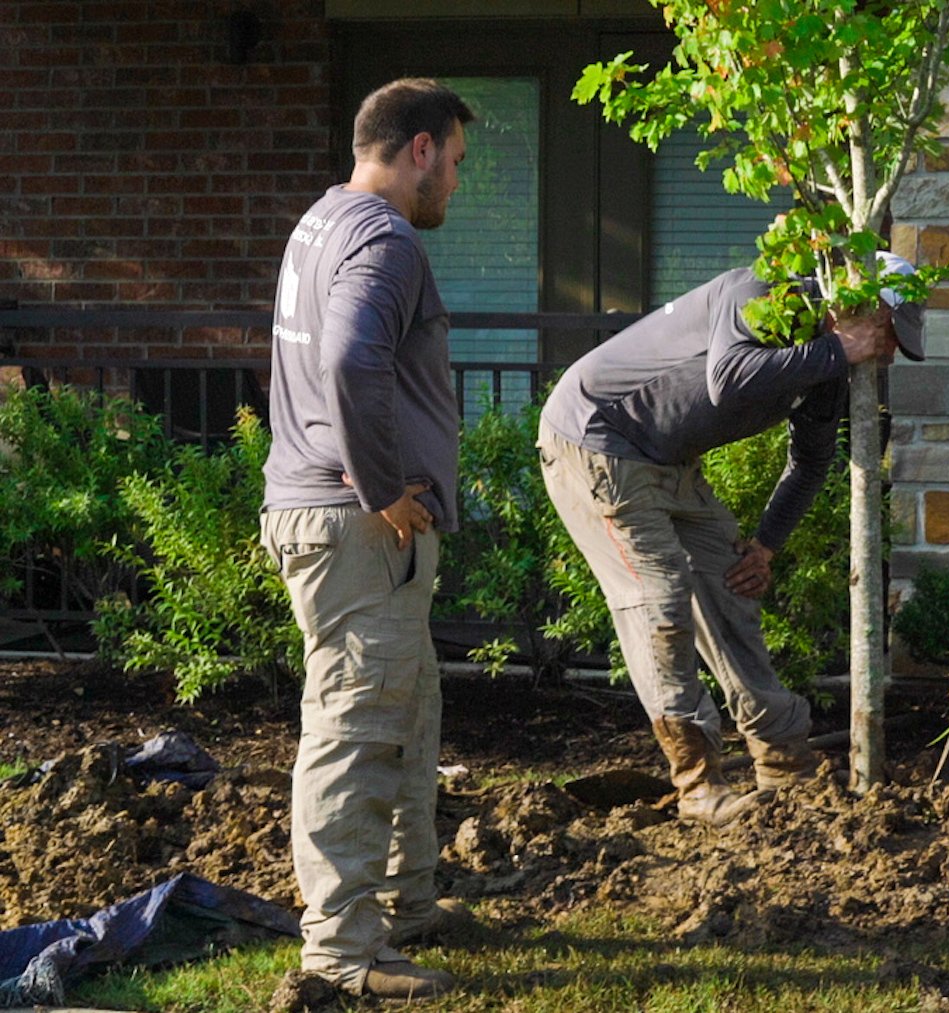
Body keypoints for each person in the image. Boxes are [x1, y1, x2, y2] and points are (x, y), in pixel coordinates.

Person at [538, 254, 924, 826]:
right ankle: (697, 785)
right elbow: (728, 378)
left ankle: (784, 762)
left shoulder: (826, 372)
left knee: (732, 587)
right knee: (662, 601)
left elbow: (811, 462)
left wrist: (765, 546)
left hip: (671, 461)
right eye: (888, 331)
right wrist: (837, 350)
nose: (889, 349)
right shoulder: (765, 291)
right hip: (597, 441)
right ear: (856, 304)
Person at [260, 78, 474, 1001]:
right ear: (418, 149)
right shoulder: (384, 240)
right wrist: (385, 488)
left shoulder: (323, 220)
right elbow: (350, 358)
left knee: (406, 706)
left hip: (329, 518)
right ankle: (342, 952)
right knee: (353, 724)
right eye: (456, 163)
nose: (456, 186)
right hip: (354, 526)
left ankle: (405, 900)